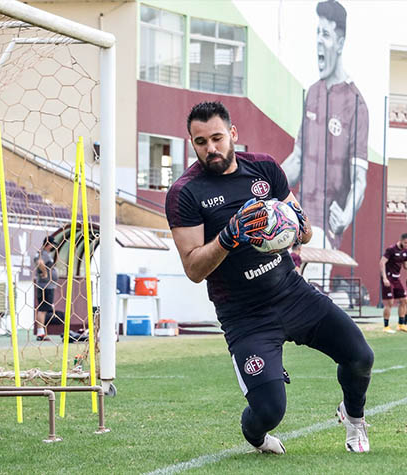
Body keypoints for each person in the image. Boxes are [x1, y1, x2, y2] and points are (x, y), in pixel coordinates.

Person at [166, 101, 374, 454]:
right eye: (201, 142)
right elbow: (193, 268)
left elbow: (303, 231)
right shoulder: (185, 192)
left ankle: (354, 420)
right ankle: (257, 437)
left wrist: (296, 226)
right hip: (246, 316)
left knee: (360, 357)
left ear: (232, 134)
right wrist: (229, 237)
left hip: (293, 294)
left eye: (217, 138)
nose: (211, 148)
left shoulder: (263, 168)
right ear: (192, 143)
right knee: (268, 410)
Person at [281, 0, 369, 254]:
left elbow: (359, 180)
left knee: (303, 281)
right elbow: (298, 159)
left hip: (325, 230)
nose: (319, 41)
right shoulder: (313, 93)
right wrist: (264, 181)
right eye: (317, 33)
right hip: (297, 217)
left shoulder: (356, 104)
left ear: (340, 43)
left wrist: (346, 216)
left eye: (326, 34)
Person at [379, 233, 407, 334]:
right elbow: (382, 262)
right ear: (401, 240)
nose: (406, 245)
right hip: (388, 279)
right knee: (390, 302)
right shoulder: (391, 249)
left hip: (397, 279)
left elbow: (405, 265)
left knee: (404, 300)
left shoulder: (405, 251)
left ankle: (401, 325)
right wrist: (384, 278)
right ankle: (386, 326)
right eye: (405, 243)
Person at [33, 235, 58, 342]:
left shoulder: (45, 254)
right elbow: (39, 262)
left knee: (44, 309)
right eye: (52, 244)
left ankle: (42, 332)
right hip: (45, 286)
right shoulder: (42, 253)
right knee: (42, 309)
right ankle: (40, 333)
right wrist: (45, 273)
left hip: (48, 285)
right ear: (49, 244)